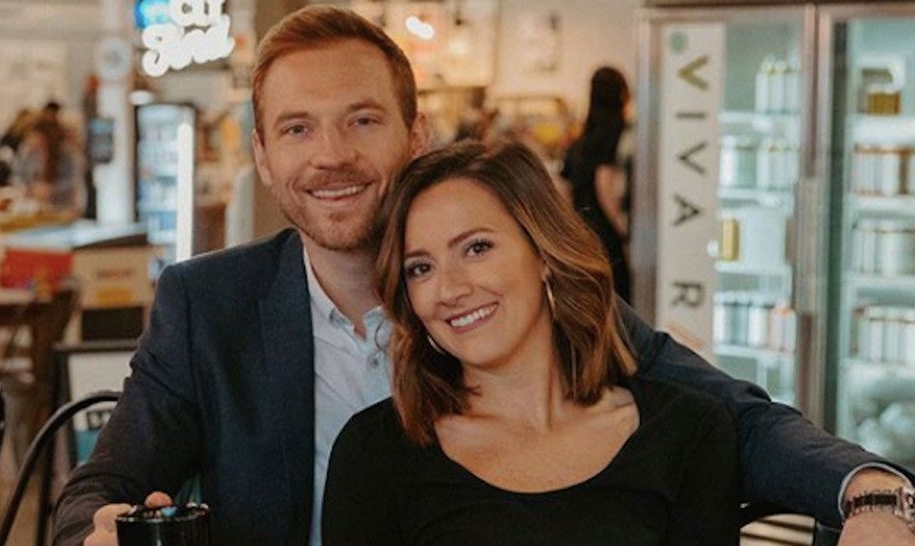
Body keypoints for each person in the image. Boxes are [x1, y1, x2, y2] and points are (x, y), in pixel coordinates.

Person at [53, 5, 914, 546]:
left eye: (362, 120)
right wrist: (96, 530)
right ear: (264, 157)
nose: (332, 156)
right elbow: (99, 489)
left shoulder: (516, 301)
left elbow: (733, 417)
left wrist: (871, 490)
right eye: (298, 129)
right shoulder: (210, 304)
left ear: (415, 135)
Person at [323, 139, 740, 544]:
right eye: (420, 268)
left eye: (476, 248)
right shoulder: (374, 454)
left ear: (543, 253)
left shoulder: (687, 432)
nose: (448, 289)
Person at [561, 66, 633, 302]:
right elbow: (605, 184)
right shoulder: (617, 132)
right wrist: (624, 230)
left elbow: (564, 187)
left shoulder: (582, 140)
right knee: (620, 303)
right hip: (606, 234)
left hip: (583, 232)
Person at [11, 101, 86, 218]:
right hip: (35, 207)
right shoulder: (28, 153)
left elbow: (72, 182)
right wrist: (30, 189)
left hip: (62, 209)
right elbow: (17, 175)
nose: (31, 139)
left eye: (34, 135)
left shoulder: (66, 154)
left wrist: (51, 190)